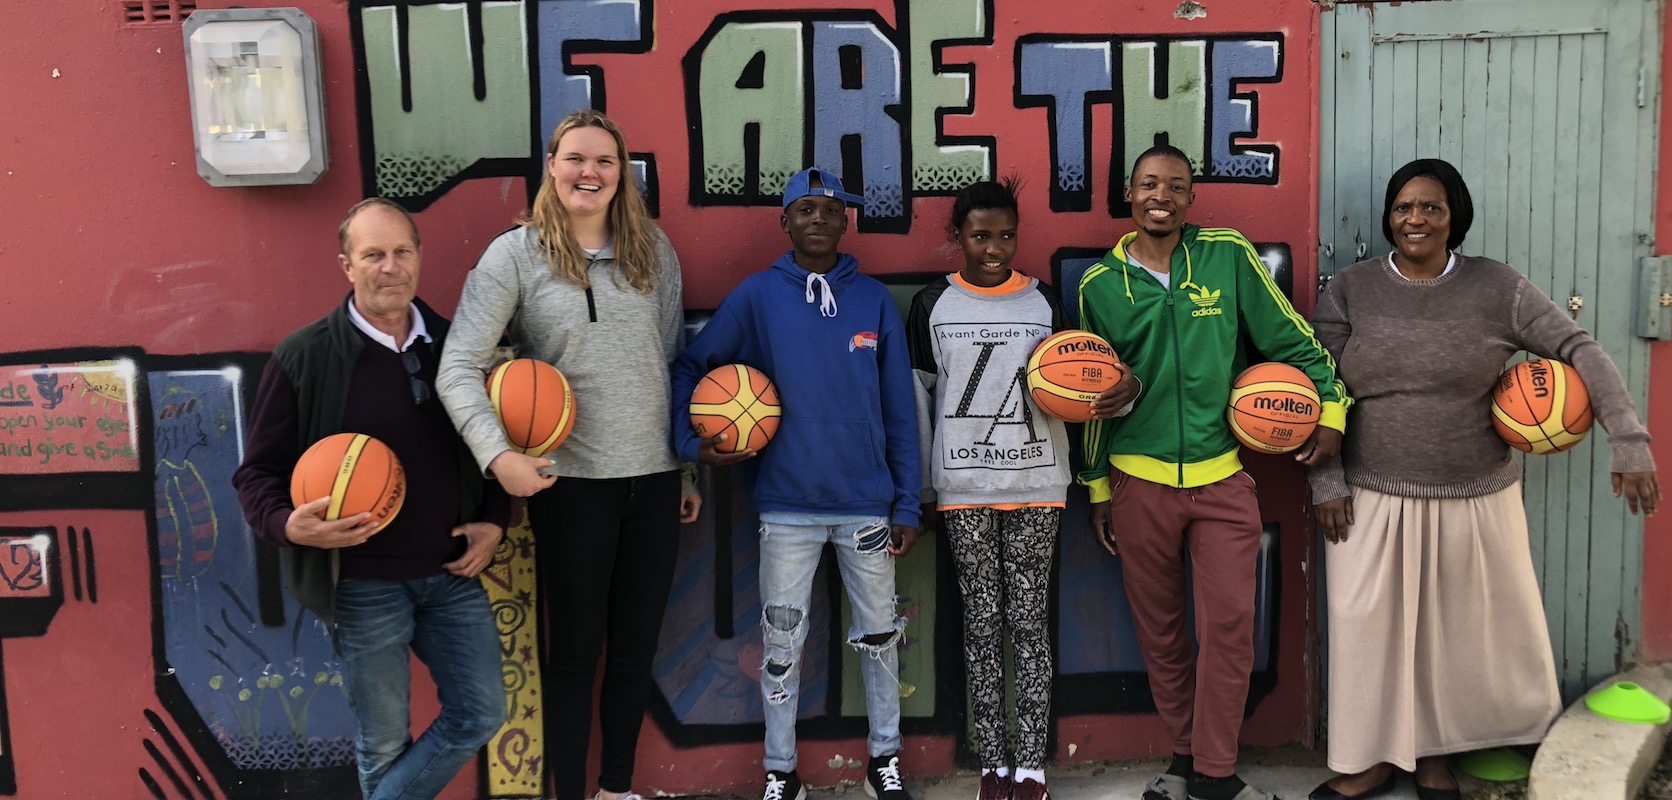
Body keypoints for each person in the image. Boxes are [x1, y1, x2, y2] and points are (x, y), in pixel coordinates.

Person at [1305, 158, 1660, 800]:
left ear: (1454, 217)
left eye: (1432, 207)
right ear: (1390, 216)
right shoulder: (1352, 289)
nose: (1416, 218)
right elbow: (1318, 385)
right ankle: (1373, 759)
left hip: (1475, 495)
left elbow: (1580, 348)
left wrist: (1629, 440)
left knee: (1453, 638)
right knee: (1367, 635)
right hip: (1370, 495)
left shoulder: (1499, 289)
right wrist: (1325, 483)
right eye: (1404, 207)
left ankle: (1437, 757)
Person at [434, 110, 698, 800]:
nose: (591, 172)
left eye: (605, 161)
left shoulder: (654, 252)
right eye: (576, 158)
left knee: (637, 651)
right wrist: (499, 458)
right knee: (576, 656)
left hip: (655, 481)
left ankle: (615, 789)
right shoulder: (514, 256)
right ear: (551, 166)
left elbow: (672, 363)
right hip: (571, 486)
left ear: (623, 174)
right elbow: (457, 366)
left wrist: (688, 465)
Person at [1079, 144, 1348, 800]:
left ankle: (1217, 775)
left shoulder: (1227, 254)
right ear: (1130, 193)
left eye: (1174, 185)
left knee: (1230, 629)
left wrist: (1332, 410)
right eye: (1148, 184)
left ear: (1190, 197)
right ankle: (1183, 760)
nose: (1160, 196)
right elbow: (1094, 395)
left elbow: (1292, 342)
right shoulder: (1099, 286)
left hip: (1221, 477)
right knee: (1161, 631)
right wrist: (1096, 486)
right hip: (1137, 480)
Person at [232, 197, 510, 800]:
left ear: (418, 257)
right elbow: (256, 473)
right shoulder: (305, 356)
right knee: (382, 744)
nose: (390, 267)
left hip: (451, 572)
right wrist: (288, 525)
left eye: (402, 251)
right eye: (373, 254)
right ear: (346, 265)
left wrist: (495, 522)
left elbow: (492, 444)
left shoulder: (457, 348)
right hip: (363, 583)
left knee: (482, 713)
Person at [670, 167, 919, 800]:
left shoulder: (872, 301)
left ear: (845, 222)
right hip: (786, 508)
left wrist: (907, 501)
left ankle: (883, 761)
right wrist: (691, 442)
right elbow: (693, 366)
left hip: (866, 505)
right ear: (784, 221)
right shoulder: (756, 297)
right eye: (805, 209)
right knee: (782, 645)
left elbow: (898, 410)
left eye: (831, 210)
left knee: (881, 639)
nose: (818, 219)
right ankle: (781, 770)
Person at [906, 178, 1067, 800]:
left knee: (1028, 625)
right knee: (980, 623)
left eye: (1005, 235)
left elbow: (1073, 387)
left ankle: (1032, 768)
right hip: (963, 487)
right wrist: (921, 489)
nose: (994, 248)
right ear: (957, 238)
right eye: (980, 236)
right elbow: (920, 402)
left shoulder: (1045, 302)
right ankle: (992, 765)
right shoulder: (931, 305)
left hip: (1038, 483)